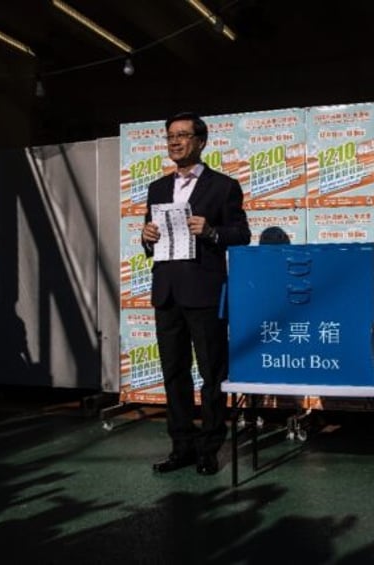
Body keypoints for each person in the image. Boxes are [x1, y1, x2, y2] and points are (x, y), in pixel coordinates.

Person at [141, 111, 251, 476]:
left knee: (211, 373)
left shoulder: (223, 186)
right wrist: (146, 237)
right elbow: (150, 237)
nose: (175, 142)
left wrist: (212, 231)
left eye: (182, 135)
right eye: (170, 136)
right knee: (174, 373)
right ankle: (181, 446)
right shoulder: (157, 188)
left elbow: (241, 234)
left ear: (201, 142)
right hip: (166, 291)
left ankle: (209, 448)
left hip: (204, 292)